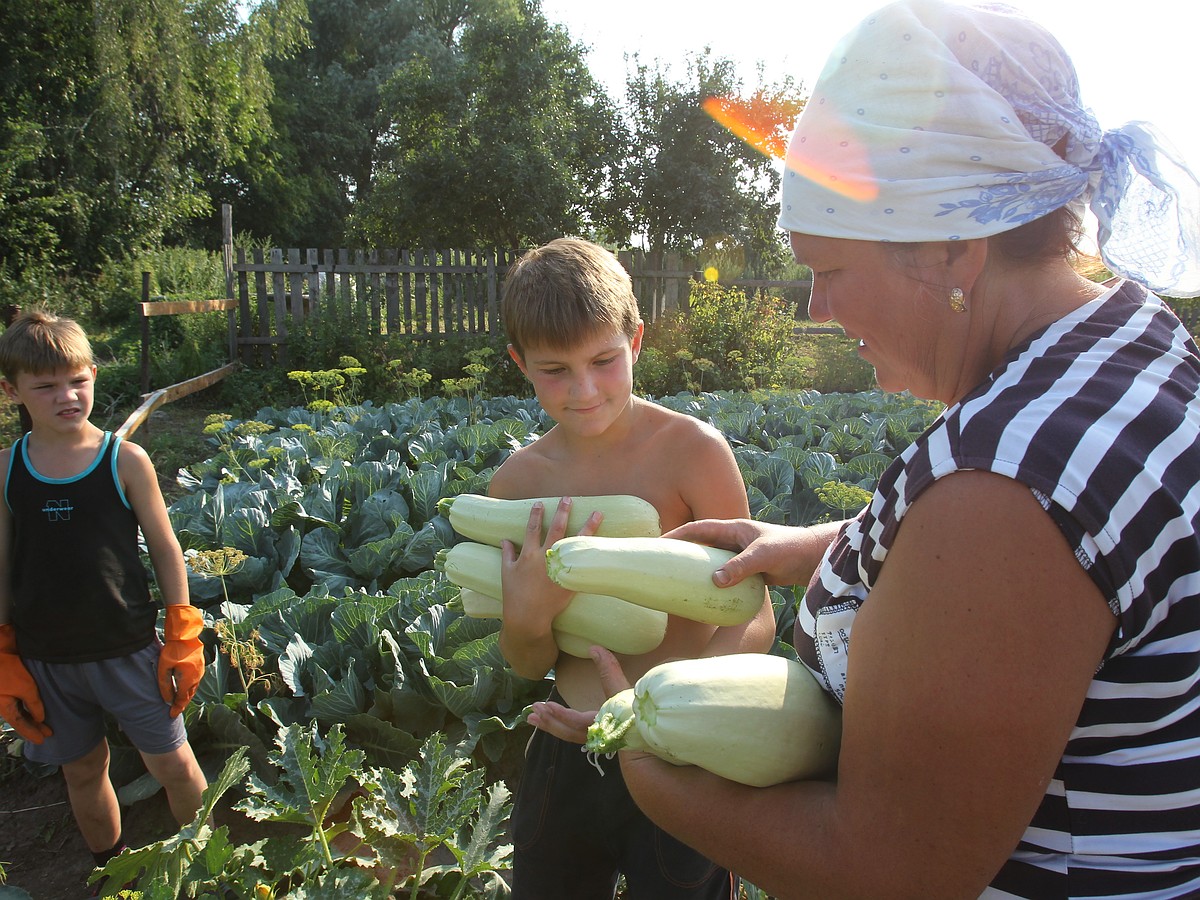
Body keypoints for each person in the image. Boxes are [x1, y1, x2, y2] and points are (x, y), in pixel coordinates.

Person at [566, 1, 1200, 897]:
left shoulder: (1003, 498)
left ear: (951, 249)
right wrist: (823, 545)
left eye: (826, 268)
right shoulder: (1124, 337)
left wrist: (636, 750)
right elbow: (1068, 562)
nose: (815, 309)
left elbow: (887, 871)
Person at [489, 236, 776, 899]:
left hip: (684, 751)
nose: (584, 390)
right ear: (519, 364)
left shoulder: (692, 454)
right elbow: (528, 662)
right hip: (568, 745)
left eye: (604, 361)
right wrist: (529, 620)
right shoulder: (516, 486)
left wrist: (666, 713)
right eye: (554, 370)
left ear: (637, 341)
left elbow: (756, 614)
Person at [0, 310, 209, 892]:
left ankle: (208, 867)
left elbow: (166, 550)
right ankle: (110, 868)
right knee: (83, 770)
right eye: (45, 386)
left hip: (128, 649)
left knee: (172, 763)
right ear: (11, 390)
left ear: (93, 374)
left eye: (77, 381)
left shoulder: (124, 459)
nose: (66, 396)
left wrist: (182, 633)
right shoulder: (7, 470)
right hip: (46, 659)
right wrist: (3, 650)